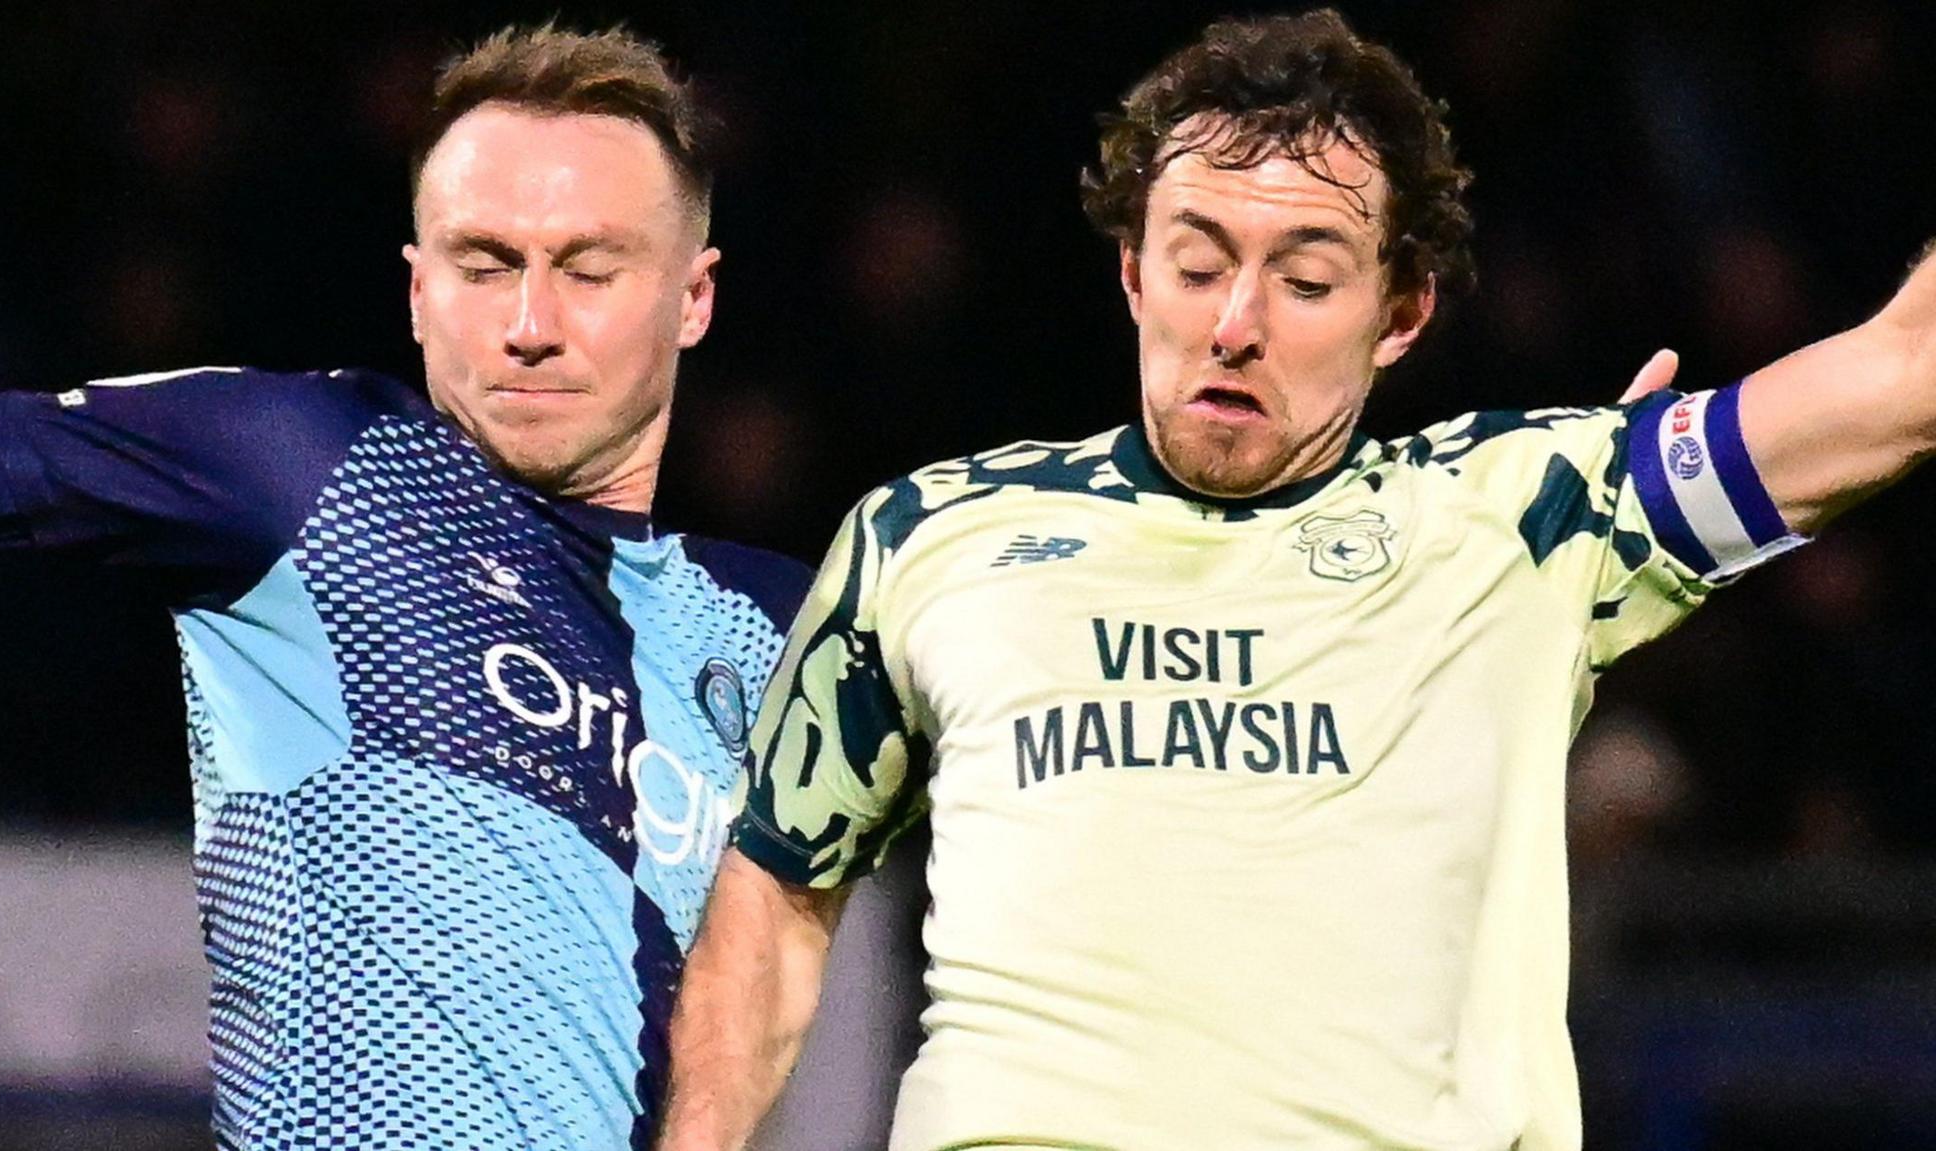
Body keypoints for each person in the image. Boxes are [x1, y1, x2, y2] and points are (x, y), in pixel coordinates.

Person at [656, 10, 1935, 1151]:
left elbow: (1901, 375)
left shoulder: (1531, 510)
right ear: (1130, 272)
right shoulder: (929, 534)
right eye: (1196, 260)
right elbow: (774, 890)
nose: (1235, 321)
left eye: (1308, 278)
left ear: (1402, 312)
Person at [0, 24, 808, 1151]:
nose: (527, 325)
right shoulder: (307, 467)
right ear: (418, 291)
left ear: (692, 297)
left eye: (586, 268)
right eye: (483, 265)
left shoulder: (792, 629)